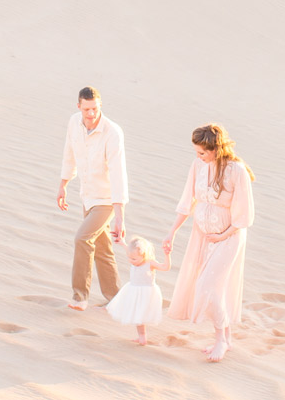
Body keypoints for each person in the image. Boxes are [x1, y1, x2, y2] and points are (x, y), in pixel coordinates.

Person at [163, 123, 255, 362]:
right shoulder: (197, 166)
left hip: (229, 237)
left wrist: (222, 235)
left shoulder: (237, 171)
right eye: (196, 152)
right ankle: (227, 337)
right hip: (202, 236)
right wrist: (171, 232)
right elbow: (187, 201)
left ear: (216, 149)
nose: (199, 157)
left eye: (203, 153)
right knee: (214, 287)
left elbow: (244, 215)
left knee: (207, 285)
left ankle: (221, 340)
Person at [58, 86, 128, 310]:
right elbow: (69, 154)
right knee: (103, 248)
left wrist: (120, 216)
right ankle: (116, 298)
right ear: (78, 106)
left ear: (100, 106)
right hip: (87, 196)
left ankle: (80, 296)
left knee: (82, 239)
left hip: (106, 200)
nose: (91, 114)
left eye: (95, 109)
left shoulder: (112, 132)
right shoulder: (73, 123)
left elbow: (118, 174)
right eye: (86, 109)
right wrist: (63, 185)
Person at [104, 236, 171, 344]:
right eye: (129, 258)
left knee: (140, 315)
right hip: (133, 291)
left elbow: (165, 267)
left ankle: (142, 337)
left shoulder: (150, 263)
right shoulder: (133, 255)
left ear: (144, 255)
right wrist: (122, 243)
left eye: (134, 259)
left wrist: (167, 255)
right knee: (137, 316)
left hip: (146, 293)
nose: (131, 261)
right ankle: (142, 337)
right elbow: (129, 250)